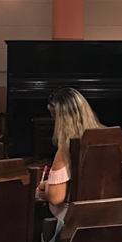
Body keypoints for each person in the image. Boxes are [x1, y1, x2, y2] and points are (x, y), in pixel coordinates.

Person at [37, 87, 102, 221]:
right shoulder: (106, 139)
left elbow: (56, 197)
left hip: (73, 219)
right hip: (103, 213)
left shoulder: (65, 151)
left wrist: (45, 187)